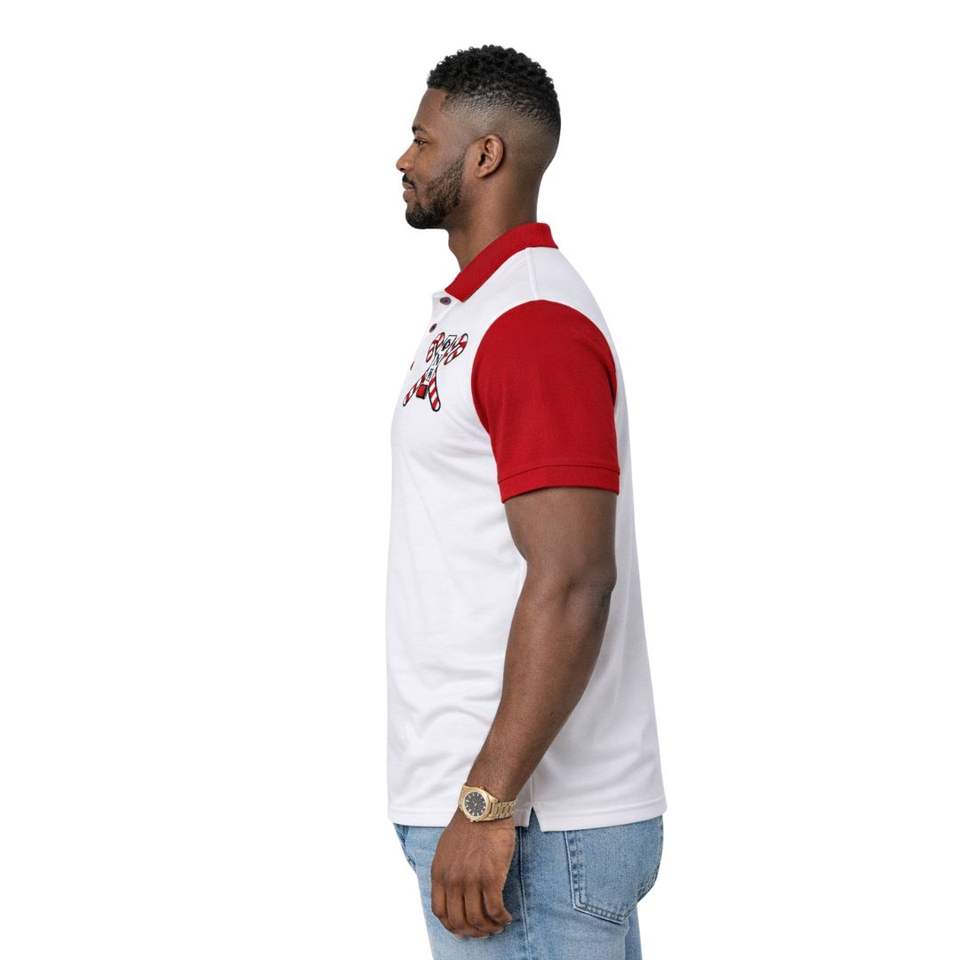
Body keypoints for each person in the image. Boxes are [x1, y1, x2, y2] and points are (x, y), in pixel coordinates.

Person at [387, 44, 666, 959]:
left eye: (422, 139)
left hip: (530, 832)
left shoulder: (532, 321)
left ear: (486, 156)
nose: (403, 159)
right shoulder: (478, 312)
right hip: (503, 817)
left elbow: (576, 577)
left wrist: (487, 802)